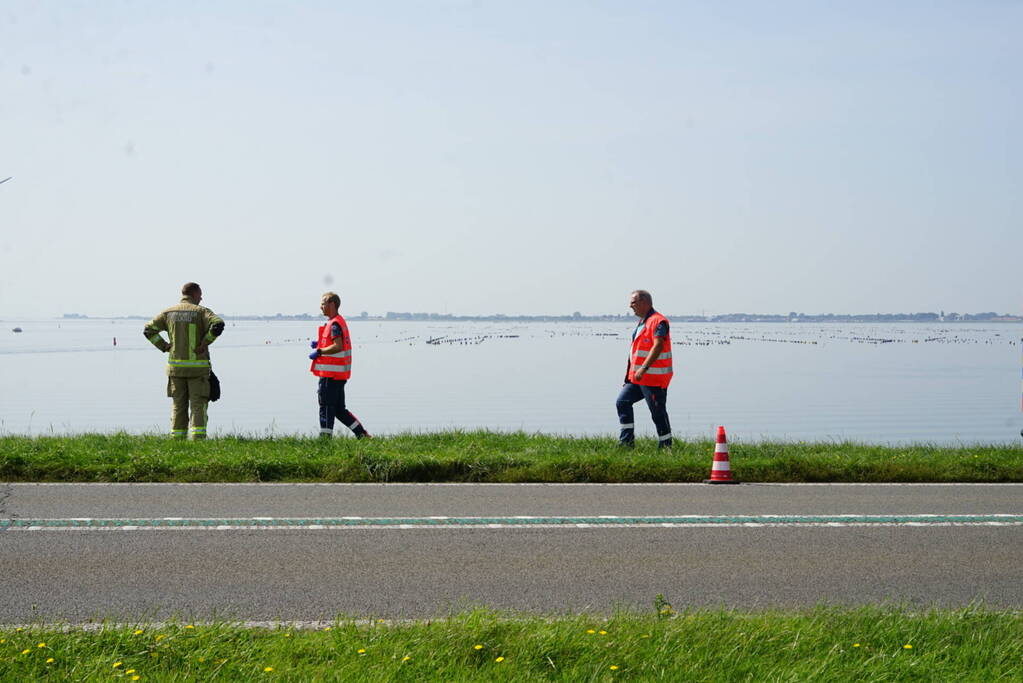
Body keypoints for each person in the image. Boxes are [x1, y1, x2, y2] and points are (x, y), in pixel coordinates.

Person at [144, 282, 224, 439]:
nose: (201, 298)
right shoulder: (201, 312)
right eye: (200, 294)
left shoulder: (168, 313)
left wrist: (164, 346)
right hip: (198, 370)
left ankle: (177, 440)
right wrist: (205, 342)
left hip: (176, 370)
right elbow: (218, 324)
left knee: (178, 406)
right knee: (198, 406)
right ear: (194, 294)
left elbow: (148, 330)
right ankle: (197, 441)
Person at [616, 289, 673, 448]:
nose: (630, 305)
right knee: (622, 402)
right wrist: (628, 377)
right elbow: (634, 353)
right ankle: (626, 442)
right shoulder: (643, 322)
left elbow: (658, 345)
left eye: (633, 302)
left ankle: (666, 447)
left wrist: (644, 368)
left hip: (653, 378)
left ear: (644, 302)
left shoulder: (658, 321)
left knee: (657, 413)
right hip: (637, 378)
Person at [309, 291, 370, 439]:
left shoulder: (335, 323)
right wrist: (320, 343)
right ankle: (362, 435)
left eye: (323, 303)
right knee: (339, 410)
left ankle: (325, 440)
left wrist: (320, 351)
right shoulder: (336, 321)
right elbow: (334, 342)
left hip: (331, 376)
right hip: (339, 375)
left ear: (332, 304)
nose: (320, 307)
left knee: (326, 407)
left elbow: (338, 346)